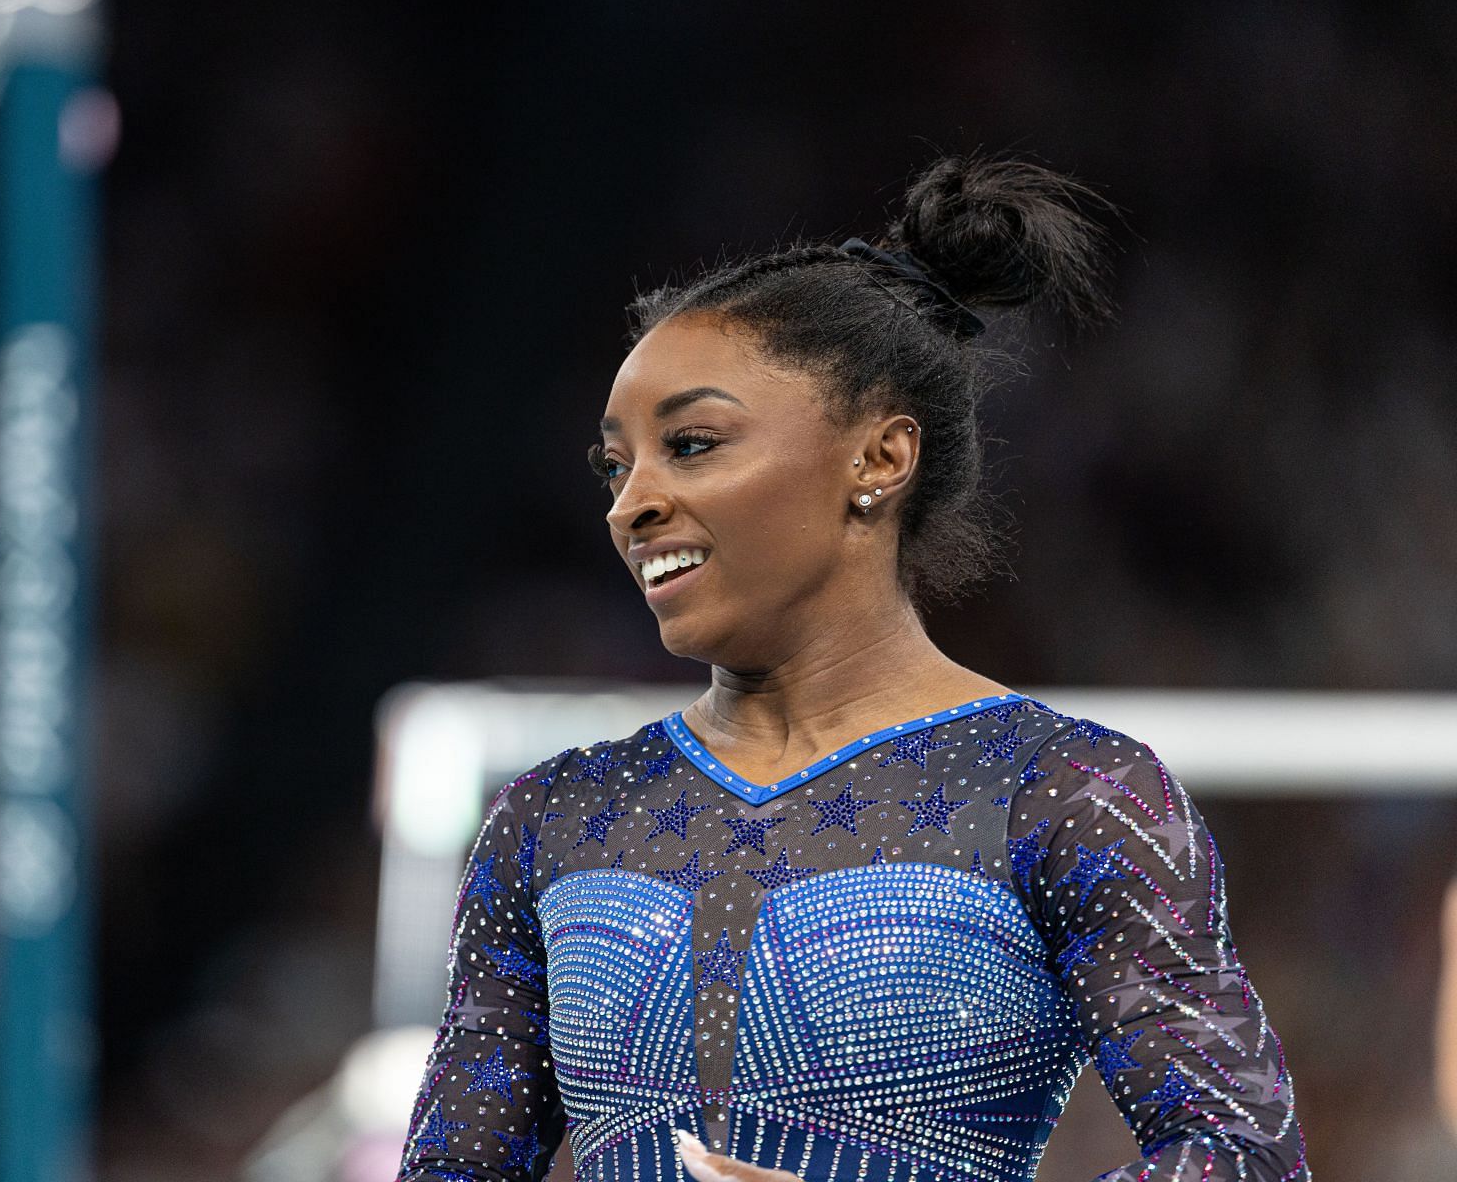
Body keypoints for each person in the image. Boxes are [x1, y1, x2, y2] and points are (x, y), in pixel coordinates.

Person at [395, 155, 1309, 1182]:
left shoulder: (1066, 793)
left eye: (691, 443)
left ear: (879, 458)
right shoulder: (553, 816)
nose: (629, 502)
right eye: (617, 463)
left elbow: (1244, 1154)